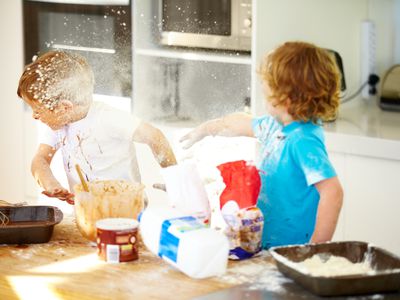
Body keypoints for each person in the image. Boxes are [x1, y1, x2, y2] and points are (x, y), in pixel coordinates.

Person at [180, 41, 344, 249]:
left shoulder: (303, 140)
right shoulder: (276, 126)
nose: (265, 100)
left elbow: (333, 192)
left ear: (285, 99)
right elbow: (240, 123)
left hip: (293, 249)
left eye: (268, 96)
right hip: (267, 241)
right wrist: (206, 129)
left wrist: (316, 247)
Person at [17, 50, 177, 205]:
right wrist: (51, 184)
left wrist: (175, 180)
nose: (34, 116)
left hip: (128, 210)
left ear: (64, 107)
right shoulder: (59, 124)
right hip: (88, 211)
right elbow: (40, 160)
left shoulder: (108, 118)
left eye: (37, 110)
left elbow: (154, 136)